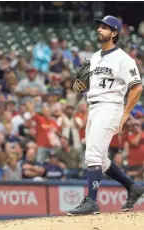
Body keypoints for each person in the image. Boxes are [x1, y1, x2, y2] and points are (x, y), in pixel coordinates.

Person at [69, 15, 144, 216]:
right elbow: (89, 85)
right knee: (100, 160)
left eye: (105, 27)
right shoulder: (94, 57)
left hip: (111, 107)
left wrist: (126, 114)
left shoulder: (124, 59)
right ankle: (133, 187)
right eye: (99, 26)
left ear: (115, 33)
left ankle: (91, 201)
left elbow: (136, 88)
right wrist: (82, 86)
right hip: (93, 106)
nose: (100, 29)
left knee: (92, 154)